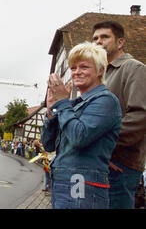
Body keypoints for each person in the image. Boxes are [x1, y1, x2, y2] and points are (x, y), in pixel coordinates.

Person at [42, 41, 122, 209]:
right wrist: (51, 113)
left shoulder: (106, 101)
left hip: (82, 184)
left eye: (84, 67)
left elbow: (80, 136)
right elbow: (48, 144)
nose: (76, 72)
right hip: (64, 182)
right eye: (73, 68)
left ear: (100, 70)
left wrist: (63, 102)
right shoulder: (74, 104)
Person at [92, 20, 146, 209]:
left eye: (104, 37)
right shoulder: (99, 75)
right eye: (95, 38)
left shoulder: (134, 68)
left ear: (120, 42)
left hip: (121, 163)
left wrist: (101, 143)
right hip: (100, 160)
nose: (98, 42)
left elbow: (140, 117)